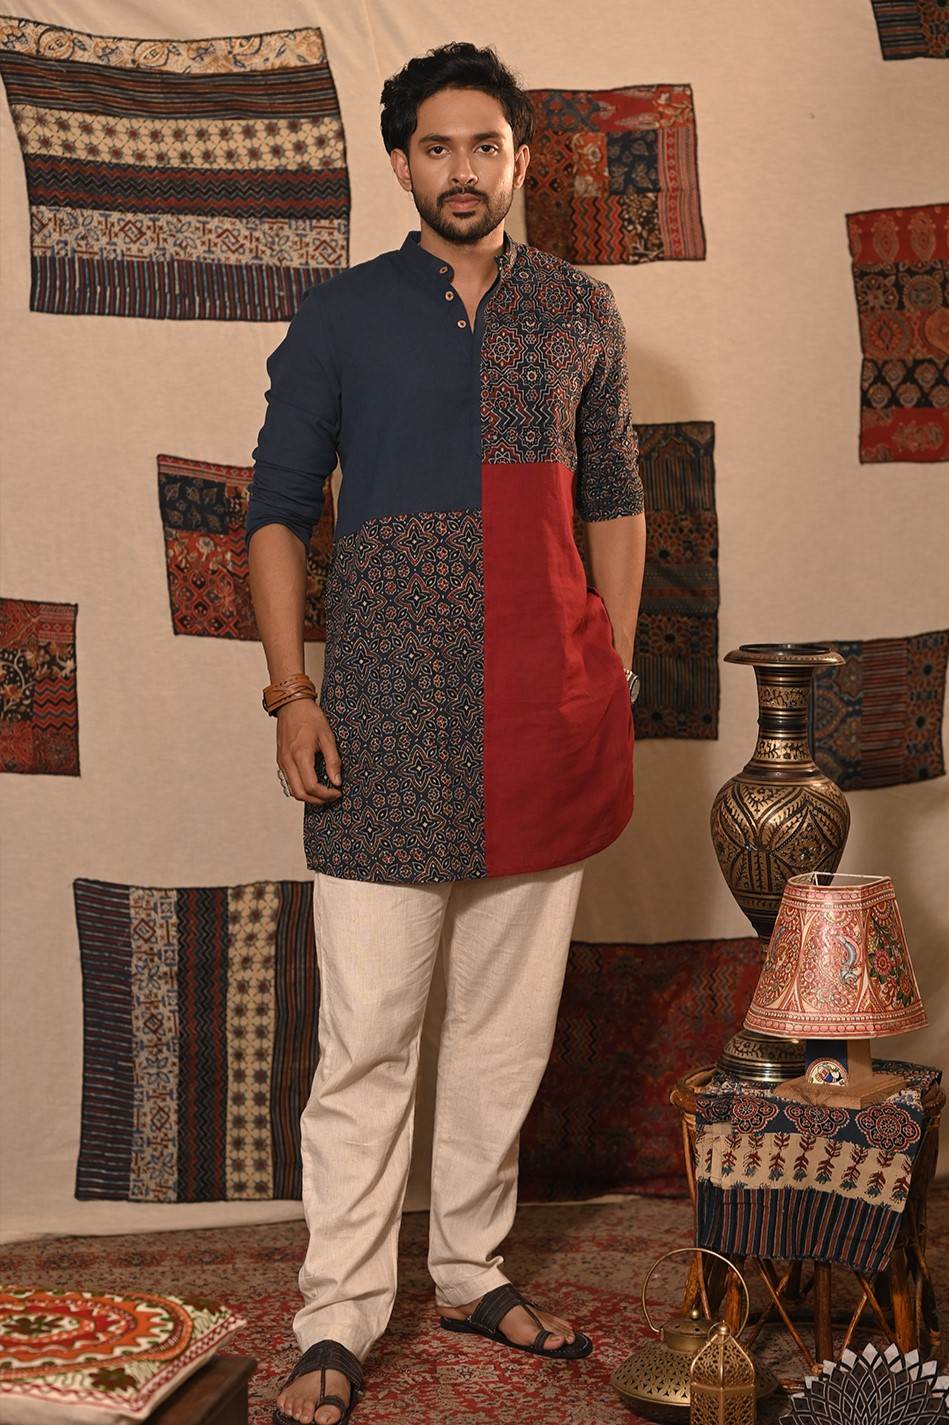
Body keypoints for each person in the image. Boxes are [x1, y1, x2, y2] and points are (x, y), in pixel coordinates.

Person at [245, 40, 646, 1425]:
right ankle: (340, 1313)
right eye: (436, 146)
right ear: (399, 160)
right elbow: (276, 515)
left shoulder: (580, 309)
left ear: (521, 159)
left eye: (485, 145)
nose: (462, 169)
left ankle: (472, 1268)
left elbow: (615, 498)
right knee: (366, 1040)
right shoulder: (341, 315)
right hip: (381, 726)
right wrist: (293, 692)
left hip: (546, 717)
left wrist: (610, 671)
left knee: (500, 1037)